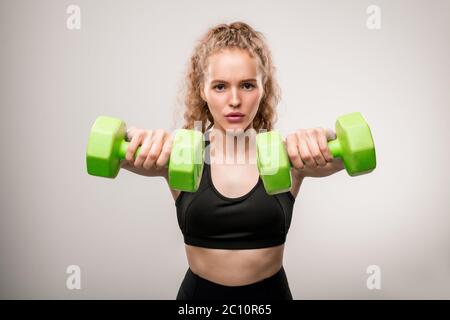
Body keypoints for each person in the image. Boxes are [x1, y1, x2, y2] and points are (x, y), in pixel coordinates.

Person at [120, 21, 345, 300]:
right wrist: (133, 136)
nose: (235, 100)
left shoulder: (289, 156)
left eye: (247, 85)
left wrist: (327, 136)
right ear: (202, 90)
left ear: (264, 89)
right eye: (220, 87)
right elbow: (116, 153)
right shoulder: (178, 154)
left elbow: (353, 158)